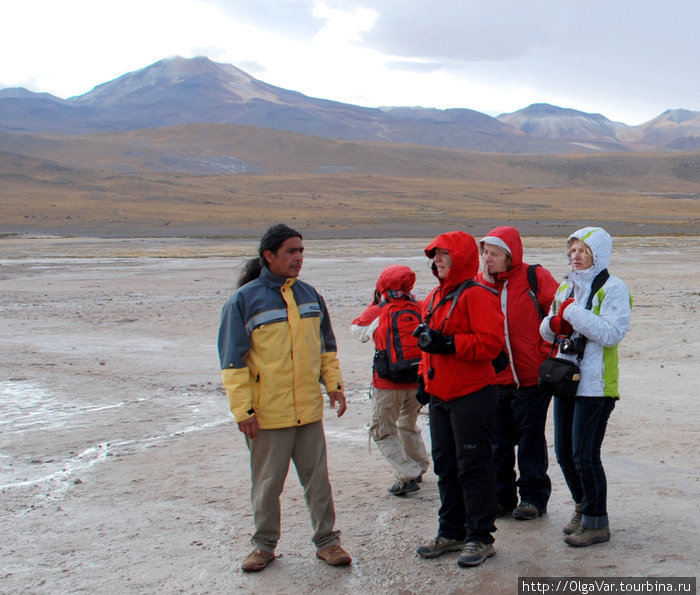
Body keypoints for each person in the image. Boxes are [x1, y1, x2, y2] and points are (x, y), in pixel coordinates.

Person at [218, 223, 352, 572]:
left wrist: (333, 385)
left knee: (318, 482)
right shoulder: (243, 301)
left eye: (301, 251)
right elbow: (233, 363)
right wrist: (242, 411)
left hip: (307, 411)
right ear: (269, 256)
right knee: (267, 485)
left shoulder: (310, 296)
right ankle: (263, 547)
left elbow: (326, 349)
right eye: (291, 251)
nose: (298, 258)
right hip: (266, 415)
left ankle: (328, 543)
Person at [414, 231, 505, 568]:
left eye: (444, 254)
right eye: (434, 255)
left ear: (461, 257)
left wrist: (449, 345)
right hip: (441, 395)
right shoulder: (434, 297)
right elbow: (428, 344)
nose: (437, 261)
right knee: (446, 466)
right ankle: (450, 531)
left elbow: (490, 344)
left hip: (471, 394)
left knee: (473, 466)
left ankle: (480, 537)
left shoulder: (477, 294)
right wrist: (423, 378)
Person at [540, 226, 632, 547]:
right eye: (572, 251)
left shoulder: (615, 289)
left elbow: (610, 333)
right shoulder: (567, 287)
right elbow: (548, 330)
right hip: (567, 379)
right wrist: (554, 323)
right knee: (565, 453)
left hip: (596, 384)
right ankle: (582, 506)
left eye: (582, 251)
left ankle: (596, 522)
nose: (575, 256)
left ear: (597, 253)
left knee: (585, 455)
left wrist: (573, 313)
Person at [476, 226, 559, 520]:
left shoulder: (534, 277)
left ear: (511, 255)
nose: (488, 259)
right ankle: (502, 498)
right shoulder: (479, 285)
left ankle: (534, 499)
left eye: (495, 254)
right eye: (485, 252)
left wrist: (544, 353)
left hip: (532, 379)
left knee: (530, 441)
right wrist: (484, 282)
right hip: (495, 379)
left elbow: (557, 314)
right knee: (497, 443)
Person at [351, 265, 430, 496]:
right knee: (407, 423)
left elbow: (357, 331)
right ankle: (419, 466)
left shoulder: (378, 311)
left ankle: (407, 473)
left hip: (387, 383)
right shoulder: (421, 307)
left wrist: (375, 303)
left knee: (382, 430)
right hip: (417, 380)